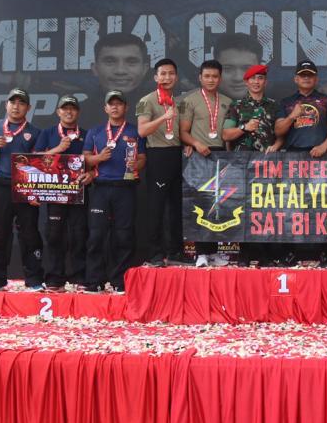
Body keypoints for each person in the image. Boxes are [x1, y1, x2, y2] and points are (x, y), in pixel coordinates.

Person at [274, 59, 327, 267]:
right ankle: (291, 252)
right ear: (296, 78)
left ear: (316, 78)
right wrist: (292, 116)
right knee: (293, 207)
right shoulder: (286, 102)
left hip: (321, 157)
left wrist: (324, 145)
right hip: (293, 158)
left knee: (323, 206)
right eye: (302, 75)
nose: (306, 78)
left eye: (310, 75)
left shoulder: (326, 100)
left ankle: (326, 252)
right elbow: (278, 131)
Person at [0, 87, 44, 291]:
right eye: (13, 102)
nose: (16, 107)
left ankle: (33, 279)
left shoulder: (34, 132)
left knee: (30, 234)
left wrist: (34, 192)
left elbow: (39, 166)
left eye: (21, 103)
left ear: (28, 107)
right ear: (6, 105)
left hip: (25, 188)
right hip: (0, 186)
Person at [82, 90, 146, 293]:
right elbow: (84, 159)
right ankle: (94, 281)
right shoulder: (95, 132)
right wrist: (97, 158)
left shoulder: (136, 132)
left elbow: (143, 159)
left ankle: (120, 281)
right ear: (105, 108)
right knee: (96, 236)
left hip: (125, 188)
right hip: (100, 188)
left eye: (119, 104)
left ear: (126, 108)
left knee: (123, 235)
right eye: (112, 104)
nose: (115, 107)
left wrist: (137, 163)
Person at [222, 63, 282, 266]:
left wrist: (276, 144)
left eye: (261, 78)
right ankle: (245, 254)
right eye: (253, 79)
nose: (257, 82)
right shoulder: (237, 105)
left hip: (267, 165)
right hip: (242, 164)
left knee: (266, 208)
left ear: (265, 81)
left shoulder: (274, 105)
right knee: (244, 208)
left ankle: (266, 254)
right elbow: (226, 134)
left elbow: (282, 134)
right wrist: (244, 128)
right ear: (246, 82)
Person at [136, 58, 190, 266]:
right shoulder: (146, 100)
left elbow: (182, 131)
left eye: (171, 73)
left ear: (176, 77)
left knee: (176, 207)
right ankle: (155, 253)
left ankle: (176, 251)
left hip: (177, 155)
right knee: (156, 207)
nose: (167, 77)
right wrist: (163, 117)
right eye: (163, 74)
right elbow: (142, 131)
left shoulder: (181, 101)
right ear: (156, 77)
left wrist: (188, 143)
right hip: (157, 154)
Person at [179, 59, 233, 267]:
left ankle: (216, 252)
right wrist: (195, 143)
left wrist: (229, 156)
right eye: (207, 76)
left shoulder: (228, 101)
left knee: (220, 204)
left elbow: (228, 134)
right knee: (201, 202)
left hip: (221, 156)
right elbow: (183, 131)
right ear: (200, 77)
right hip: (200, 154)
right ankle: (200, 253)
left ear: (220, 78)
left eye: (215, 76)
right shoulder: (189, 100)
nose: (211, 80)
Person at [34, 95, 88, 292]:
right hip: (55, 193)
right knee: (54, 235)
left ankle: (80, 277)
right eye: (64, 108)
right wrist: (58, 149)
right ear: (58, 112)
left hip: (78, 192)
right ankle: (54, 278)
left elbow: (91, 160)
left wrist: (90, 173)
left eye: (72, 108)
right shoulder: (47, 133)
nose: (68, 112)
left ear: (78, 112)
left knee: (79, 234)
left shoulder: (86, 134)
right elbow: (35, 160)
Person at [92, 32, 152, 102]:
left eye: (131, 62)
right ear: (95, 69)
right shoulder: (78, 112)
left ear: (144, 69)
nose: (120, 71)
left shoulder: (164, 112)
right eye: (110, 62)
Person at [215, 32, 264, 100]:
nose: (238, 78)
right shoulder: (196, 105)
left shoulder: (277, 108)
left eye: (247, 69)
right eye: (228, 69)